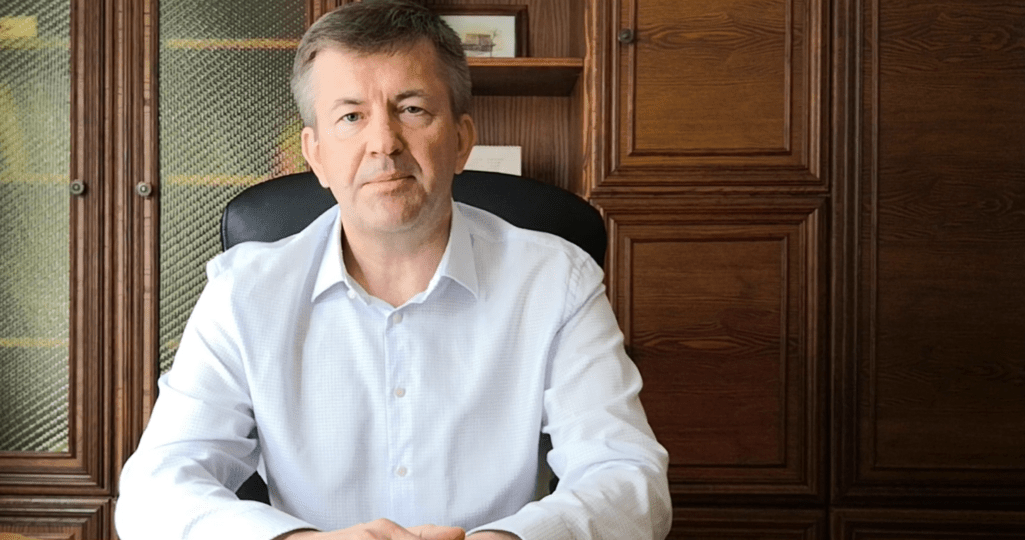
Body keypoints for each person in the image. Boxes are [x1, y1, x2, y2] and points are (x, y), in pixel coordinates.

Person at [115, 1, 671, 539]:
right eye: (351, 116)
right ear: (315, 154)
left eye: (412, 109)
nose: (383, 142)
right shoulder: (243, 293)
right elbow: (154, 493)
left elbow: (628, 480)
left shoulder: (556, 281)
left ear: (461, 140)